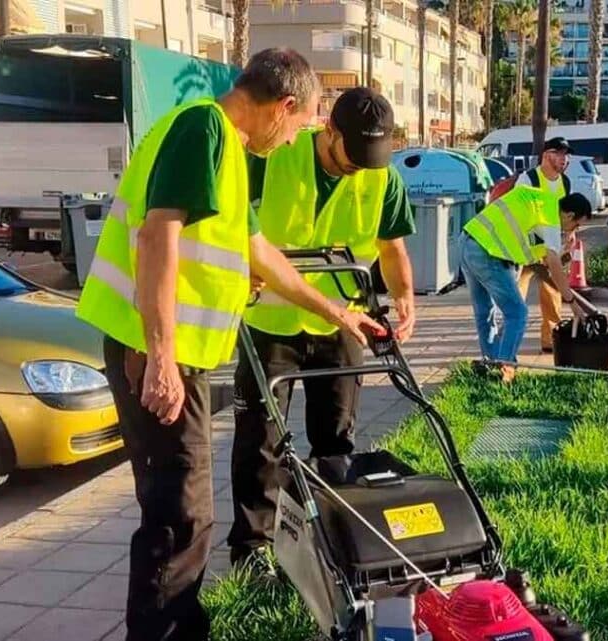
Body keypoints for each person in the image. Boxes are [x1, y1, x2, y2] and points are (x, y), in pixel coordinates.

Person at [74, 49, 382, 641]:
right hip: (153, 354)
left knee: (181, 511)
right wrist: (160, 357)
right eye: (299, 124)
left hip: (172, 354)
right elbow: (156, 235)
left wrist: (338, 311)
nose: (295, 136)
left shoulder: (229, 153)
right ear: (283, 107)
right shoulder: (203, 127)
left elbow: (259, 254)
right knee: (179, 515)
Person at [228, 87, 417, 568]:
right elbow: (227, 224)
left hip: (342, 324)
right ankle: (252, 548)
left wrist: (404, 297)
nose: (359, 167)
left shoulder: (382, 178)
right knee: (260, 441)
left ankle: (332, 538)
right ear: (328, 130)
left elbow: (391, 246)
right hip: (270, 323)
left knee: (336, 439)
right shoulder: (273, 156)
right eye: (352, 155)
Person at [459, 185, 593, 382]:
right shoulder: (551, 217)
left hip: (468, 241)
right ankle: (505, 369)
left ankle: (491, 365)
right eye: (577, 225)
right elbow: (553, 265)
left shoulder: (541, 202)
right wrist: (571, 302)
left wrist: (560, 264)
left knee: (484, 312)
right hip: (489, 254)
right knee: (518, 313)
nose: (574, 230)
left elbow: (543, 268)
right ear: (569, 215)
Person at [515, 137, 578, 353]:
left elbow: (567, 212)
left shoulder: (565, 182)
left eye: (566, 154)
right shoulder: (528, 179)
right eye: (559, 153)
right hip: (526, 248)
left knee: (552, 292)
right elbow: (518, 213)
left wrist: (570, 232)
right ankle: (508, 338)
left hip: (552, 246)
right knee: (516, 293)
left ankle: (550, 339)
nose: (564, 159)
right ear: (546, 155)